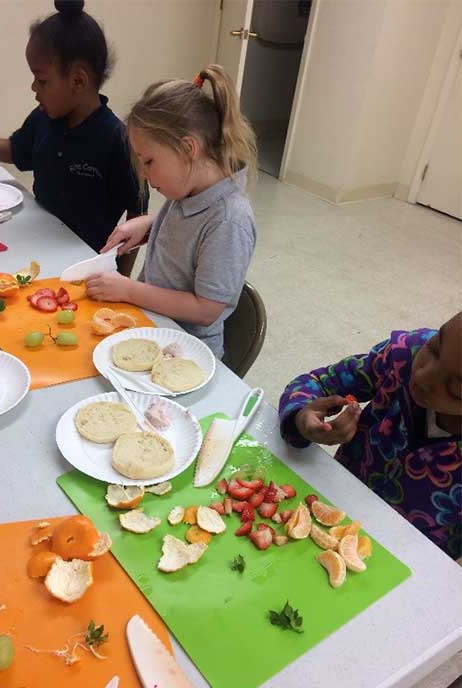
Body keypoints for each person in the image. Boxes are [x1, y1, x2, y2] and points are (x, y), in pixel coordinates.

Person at [0, 0, 145, 272]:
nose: (34, 87)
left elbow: (137, 215)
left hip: (84, 265)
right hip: (34, 248)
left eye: (42, 80)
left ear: (78, 81)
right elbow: (17, 149)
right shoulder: (44, 117)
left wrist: (123, 281)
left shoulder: (118, 140)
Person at [86, 65, 257, 358]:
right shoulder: (190, 189)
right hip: (152, 327)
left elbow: (206, 309)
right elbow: (191, 231)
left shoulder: (230, 220)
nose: (143, 174)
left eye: (149, 161)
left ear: (188, 148)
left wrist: (128, 290)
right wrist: (151, 224)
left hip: (185, 354)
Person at [278, 312, 462, 561]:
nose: (422, 376)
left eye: (456, 388)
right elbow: (317, 381)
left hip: (404, 556)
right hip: (327, 500)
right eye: (436, 348)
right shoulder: (403, 356)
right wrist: (301, 418)